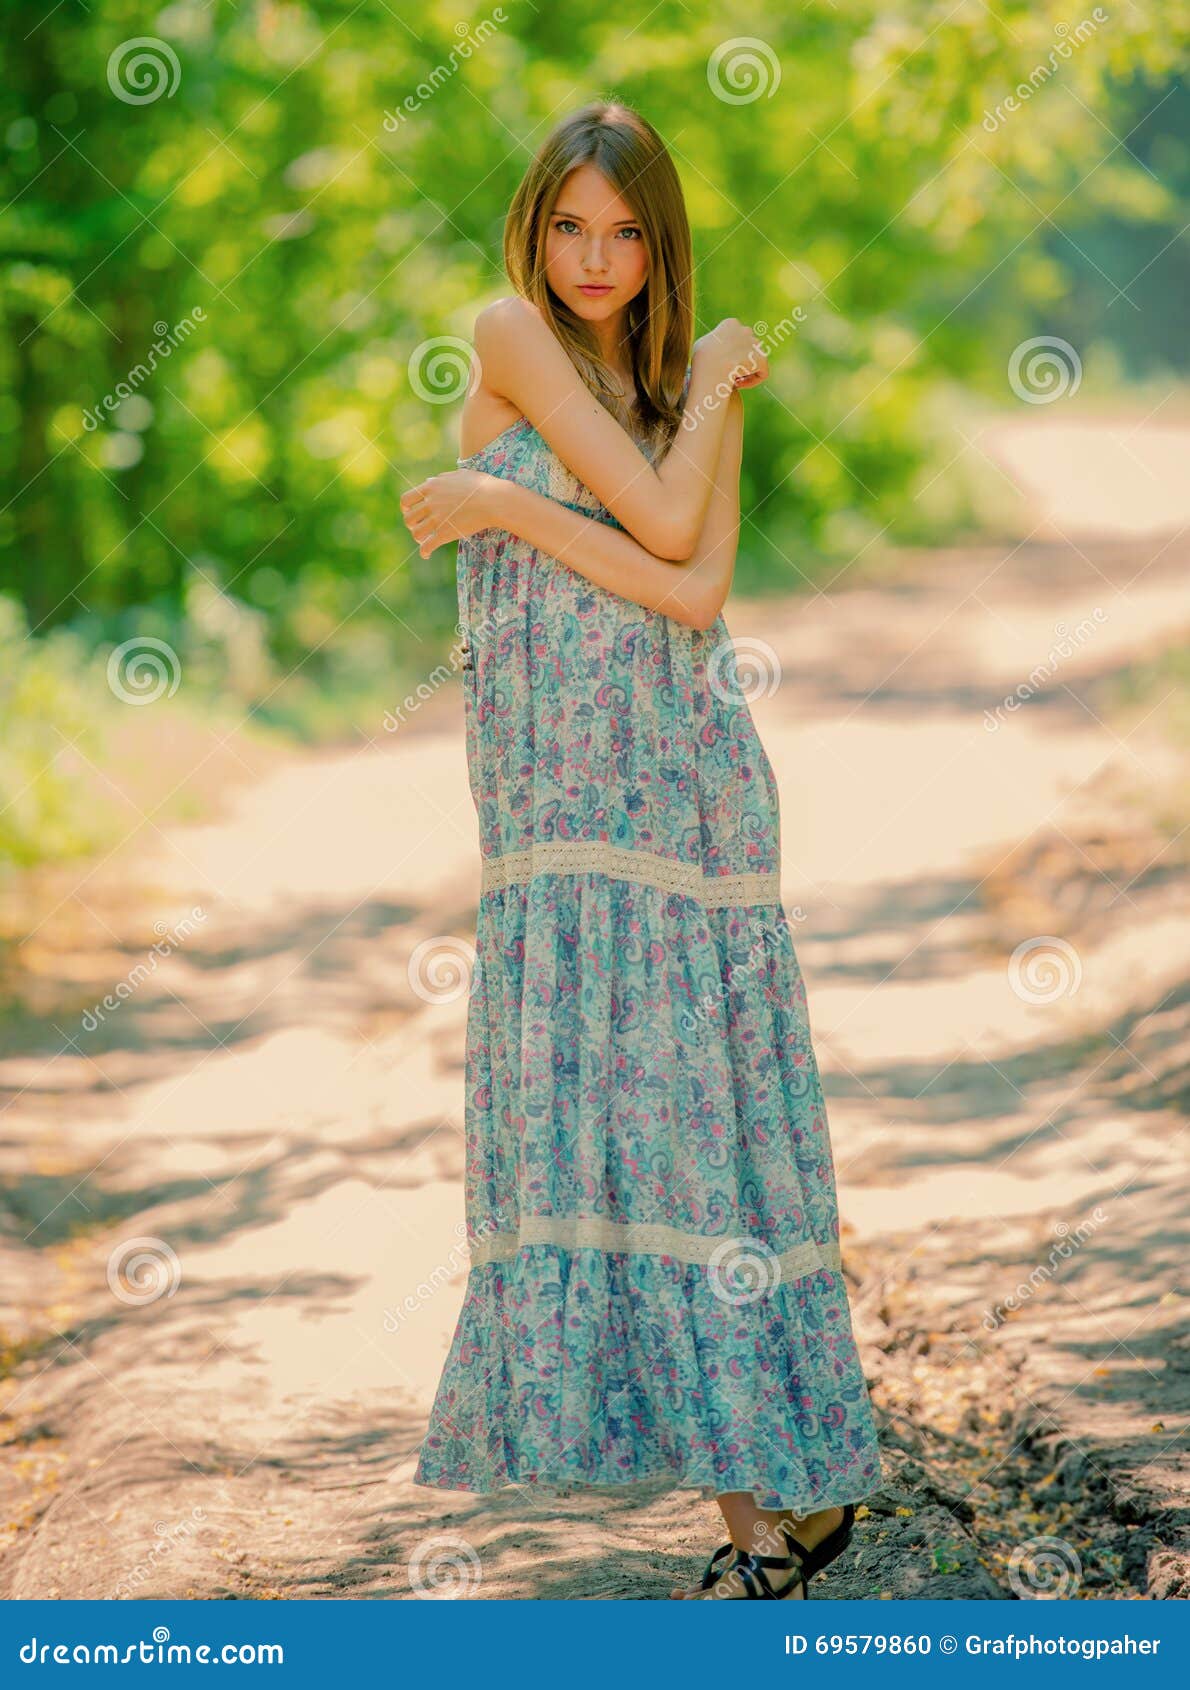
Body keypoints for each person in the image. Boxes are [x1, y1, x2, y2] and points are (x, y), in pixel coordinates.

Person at [400, 99, 882, 1602]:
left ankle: (773, 1507)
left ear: (657, 243)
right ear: (531, 230)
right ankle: (759, 1513)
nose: (591, 257)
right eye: (567, 225)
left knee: (699, 1131)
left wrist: (510, 499)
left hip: (683, 785)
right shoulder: (510, 334)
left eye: (622, 231)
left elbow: (692, 583)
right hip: (564, 807)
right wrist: (507, 489)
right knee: (628, 1125)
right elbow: (665, 535)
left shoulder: (667, 382)